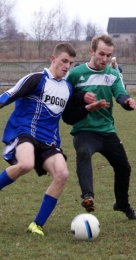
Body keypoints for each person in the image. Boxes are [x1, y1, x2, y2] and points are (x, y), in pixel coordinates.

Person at [0, 43, 107, 236]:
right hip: (25, 132)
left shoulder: (68, 88)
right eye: (64, 61)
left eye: (70, 63)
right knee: (26, 164)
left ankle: (36, 225)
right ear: (53, 59)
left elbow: (68, 118)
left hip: (50, 140)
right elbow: (10, 94)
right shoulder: (36, 79)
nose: (67, 66)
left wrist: (87, 109)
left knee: (62, 174)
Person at [62, 34, 136, 220]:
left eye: (108, 56)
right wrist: (84, 103)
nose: (104, 59)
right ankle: (88, 197)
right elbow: (67, 102)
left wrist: (127, 101)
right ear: (92, 51)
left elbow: (119, 93)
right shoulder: (76, 74)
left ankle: (122, 204)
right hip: (84, 129)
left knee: (124, 168)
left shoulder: (112, 74)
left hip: (107, 130)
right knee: (84, 152)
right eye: (101, 54)